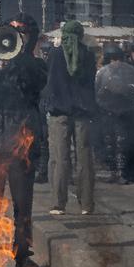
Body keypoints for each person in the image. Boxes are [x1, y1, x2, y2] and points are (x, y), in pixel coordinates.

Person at [0, 13, 47, 267]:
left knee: (23, 205)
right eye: (13, 29)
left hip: (21, 144)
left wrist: (20, 60)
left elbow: (37, 84)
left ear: (30, 36)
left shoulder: (36, 64)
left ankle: (21, 254)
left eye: (22, 30)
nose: (17, 34)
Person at [44, 20, 97, 215]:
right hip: (82, 113)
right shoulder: (89, 56)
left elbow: (48, 83)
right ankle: (87, 205)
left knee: (59, 158)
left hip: (59, 113)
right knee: (84, 158)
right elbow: (92, 84)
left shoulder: (54, 55)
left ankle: (58, 204)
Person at [95, 43, 134, 184]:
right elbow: (97, 91)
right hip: (110, 111)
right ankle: (114, 172)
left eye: (118, 59)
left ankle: (121, 173)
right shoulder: (103, 73)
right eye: (113, 59)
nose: (116, 62)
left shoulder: (129, 72)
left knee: (121, 144)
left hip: (122, 112)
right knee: (111, 144)